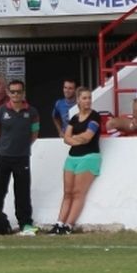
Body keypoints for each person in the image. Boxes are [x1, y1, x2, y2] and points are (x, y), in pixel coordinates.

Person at [0, 80, 40, 235]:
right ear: (8, 93)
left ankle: (25, 223)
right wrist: (5, 145)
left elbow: (34, 133)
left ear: (23, 93)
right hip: (3, 156)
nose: (16, 95)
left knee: (22, 192)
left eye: (19, 92)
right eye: (13, 92)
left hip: (22, 157)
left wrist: (22, 146)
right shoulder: (0, 111)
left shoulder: (32, 112)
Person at [48, 86, 101, 235]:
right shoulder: (75, 118)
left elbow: (88, 136)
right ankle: (59, 222)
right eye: (84, 98)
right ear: (78, 100)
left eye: (89, 98)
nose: (87, 101)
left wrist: (74, 139)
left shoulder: (94, 116)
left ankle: (69, 225)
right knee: (67, 192)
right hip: (73, 156)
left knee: (78, 192)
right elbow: (66, 138)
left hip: (89, 156)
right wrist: (76, 139)